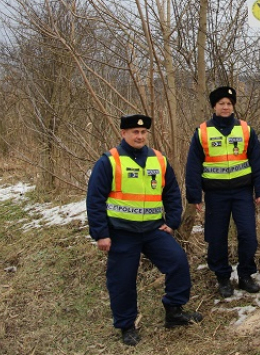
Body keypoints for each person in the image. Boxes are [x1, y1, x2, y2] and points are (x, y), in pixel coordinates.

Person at [86, 114, 202, 346]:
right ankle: (126, 326)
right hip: (121, 232)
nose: (139, 136)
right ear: (123, 134)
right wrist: (101, 233)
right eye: (134, 132)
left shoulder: (158, 159)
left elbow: (171, 191)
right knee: (122, 280)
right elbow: (95, 199)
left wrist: (172, 221)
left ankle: (174, 312)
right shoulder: (110, 161)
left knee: (178, 262)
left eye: (143, 132)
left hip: (153, 230)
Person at [185, 86, 260, 298]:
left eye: (229, 104)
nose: (225, 107)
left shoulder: (245, 130)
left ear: (233, 106)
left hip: (242, 192)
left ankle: (245, 275)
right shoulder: (203, 132)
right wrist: (194, 195)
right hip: (215, 195)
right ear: (214, 106)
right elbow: (193, 166)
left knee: (248, 235)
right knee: (216, 238)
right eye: (221, 104)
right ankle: (222, 277)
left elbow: (258, 162)